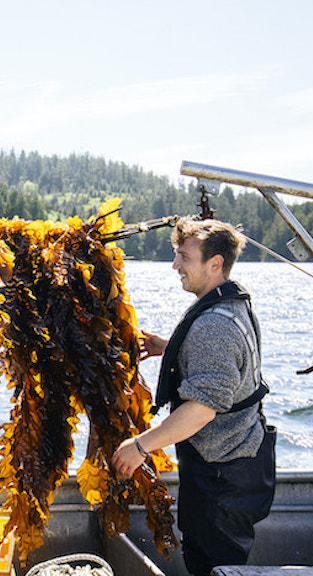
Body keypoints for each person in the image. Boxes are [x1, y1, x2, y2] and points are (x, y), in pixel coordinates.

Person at [111, 217, 276, 576]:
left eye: (184, 257)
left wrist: (140, 446)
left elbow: (202, 410)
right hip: (239, 462)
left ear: (215, 264)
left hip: (223, 477)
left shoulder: (215, 326)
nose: (175, 266)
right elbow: (226, 368)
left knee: (214, 567)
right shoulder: (233, 303)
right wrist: (169, 349)